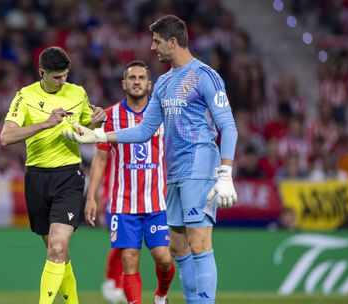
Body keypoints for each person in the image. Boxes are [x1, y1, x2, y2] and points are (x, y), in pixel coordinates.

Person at [64, 15, 238, 304]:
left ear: (173, 42)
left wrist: (225, 173)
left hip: (200, 166)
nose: (152, 47)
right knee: (179, 248)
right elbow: (145, 129)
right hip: (173, 174)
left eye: (157, 41)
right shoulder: (165, 83)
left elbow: (228, 126)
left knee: (199, 243)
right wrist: (99, 137)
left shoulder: (205, 76)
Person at [0, 46, 106, 304]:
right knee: (57, 252)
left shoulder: (77, 93)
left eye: (65, 75)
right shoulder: (25, 97)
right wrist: (46, 123)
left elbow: (85, 126)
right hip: (36, 178)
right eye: (56, 77)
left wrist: (97, 120)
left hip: (69, 177)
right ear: (41, 72)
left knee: (57, 247)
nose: (62, 82)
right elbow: (6, 136)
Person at [85, 60, 175, 304]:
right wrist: (91, 197)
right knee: (130, 259)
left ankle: (161, 295)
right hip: (124, 204)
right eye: (132, 78)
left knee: (164, 258)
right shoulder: (111, 116)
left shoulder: (163, 115)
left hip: (157, 202)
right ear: (124, 83)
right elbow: (100, 159)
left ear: (149, 84)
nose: (137, 82)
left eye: (141, 78)